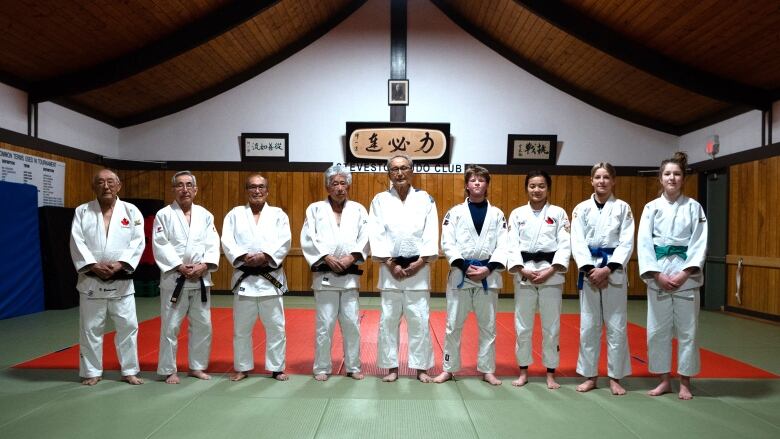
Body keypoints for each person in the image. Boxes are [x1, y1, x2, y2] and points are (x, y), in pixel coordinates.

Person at [638, 151, 707, 400]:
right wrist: (657, 275)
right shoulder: (651, 208)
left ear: (683, 177)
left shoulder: (694, 207)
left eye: (677, 174)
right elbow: (644, 243)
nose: (672, 178)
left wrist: (685, 273)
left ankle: (685, 381)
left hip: (685, 275)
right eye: (667, 173)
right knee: (658, 331)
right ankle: (664, 379)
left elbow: (699, 243)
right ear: (660, 178)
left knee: (688, 331)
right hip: (658, 274)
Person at [69, 169, 145, 386]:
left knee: (128, 327)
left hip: (121, 281)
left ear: (119, 185)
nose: (106, 186)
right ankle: (92, 371)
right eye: (100, 182)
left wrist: (121, 264)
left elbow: (138, 242)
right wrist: (92, 265)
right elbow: (76, 241)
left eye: (111, 182)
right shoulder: (83, 211)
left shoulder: (131, 211)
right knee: (91, 328)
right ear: (94, 187)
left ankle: (129, 370)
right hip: (92, 281)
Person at [433, 165, 508, 386]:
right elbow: (447, 243)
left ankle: (487, 370)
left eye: (481, 180)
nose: (477, 183)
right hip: (460, 274)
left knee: (488, 325)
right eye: (473, 180)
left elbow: (504, 245)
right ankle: (448, 368)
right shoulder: (454, 213)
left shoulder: (497, 214)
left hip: (488, 274)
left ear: (487, 184)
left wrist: (489, 268)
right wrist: (464, 266)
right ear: (466, 185)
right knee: (453, 325)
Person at [369, 154, 438, 383]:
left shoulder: (425, 199)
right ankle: (391, 367)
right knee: (388, 320)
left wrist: (421, 262)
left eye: (404, 168)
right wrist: (390, 264)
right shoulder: (380, 200)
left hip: (418, 270)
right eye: (395, 169)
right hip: (390, 270)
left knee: (419, 319)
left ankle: (421, 367)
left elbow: (431, 232)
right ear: (388, 173)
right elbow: (376, 233)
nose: (400, 173)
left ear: (412, 171)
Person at [571, 163, 634, 395]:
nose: (602, 181)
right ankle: (590, 375)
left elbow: (627, 242)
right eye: (597, 177)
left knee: (616, 326)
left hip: (613, 272)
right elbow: (576, 242)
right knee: (589, 326)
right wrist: (590, 270)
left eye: (606, 177)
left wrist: (607, 269)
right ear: (591, 180)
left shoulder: (623, 208)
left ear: (613, 180)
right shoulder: (581, 209)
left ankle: (615, 377)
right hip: (589, 273)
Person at [301, 165, 369, 381]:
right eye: (334, 183)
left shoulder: (358, 209)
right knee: (325, 324)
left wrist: (352, 256)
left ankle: (353, 366)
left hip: (349, 277)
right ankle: (321, 367)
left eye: (343, 183)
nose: (339, 188)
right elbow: (308, 237)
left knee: (352, 324)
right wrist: (326, 257)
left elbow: (365, 237)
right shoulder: (315, 209)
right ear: (327, 186)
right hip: (325, 276)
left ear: (348, 185)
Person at [222, 174, 291, 381]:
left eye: (261, 187)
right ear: (247, 190)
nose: (257, 191)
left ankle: (277, 367)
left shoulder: (278, 214)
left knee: (276, 327)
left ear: (267, 191)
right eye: (252, 187)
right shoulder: (234, 214)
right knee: (241, 328)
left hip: (271, 280)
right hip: (245, 280)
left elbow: (285, 241)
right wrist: (243, 257)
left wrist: (265, 256)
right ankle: (242, 367)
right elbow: (227, 241)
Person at [152, 171, 220, 384]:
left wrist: (204, 265)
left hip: (200, 279)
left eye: (189, 185)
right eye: (179, 185)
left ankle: (196, 367)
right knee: (170, 326)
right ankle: (168, 369)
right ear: (173, 189)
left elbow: (212, 242)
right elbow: (160, 243)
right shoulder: (164, 214)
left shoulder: (205, 215)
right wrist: (179, 266)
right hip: (175, 279)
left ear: (196, 189)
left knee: (203, 325)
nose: (185, 189)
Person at [507, 170, 571, 389]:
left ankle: (550, 372)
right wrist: (522, 269)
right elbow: (512, 244)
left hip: (551, 274)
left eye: (541, 186)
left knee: (551, 326)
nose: (537, 190)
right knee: (522, 325)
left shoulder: (559, 213)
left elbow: (564, 244)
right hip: (524, 272)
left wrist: (552, 270)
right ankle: (523, 371)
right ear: (527, 188)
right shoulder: (517, 214)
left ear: (548, 188)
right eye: (532, 185)